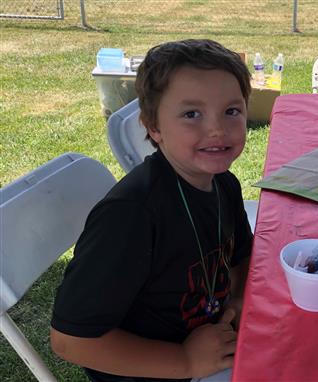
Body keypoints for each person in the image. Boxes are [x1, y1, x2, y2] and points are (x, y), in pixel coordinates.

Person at [50, 39, 253, 382]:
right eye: (192, 114)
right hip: (162, 369)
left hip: (209, 340)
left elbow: (242, 260)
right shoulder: (130, 217)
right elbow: (71, 342)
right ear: (154, 127)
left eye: (232, 110)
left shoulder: (224, 183)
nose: (217, 129)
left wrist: (236, 299)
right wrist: (186, 361)